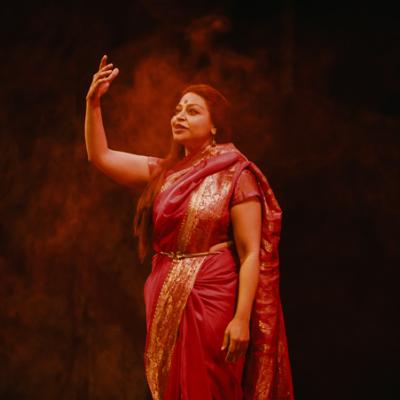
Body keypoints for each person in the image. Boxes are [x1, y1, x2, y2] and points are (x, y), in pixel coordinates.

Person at [85, 55, 295, 400]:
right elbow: (101, 156)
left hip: (213, 296)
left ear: (215, 125)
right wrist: (93, 103)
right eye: (178, 109)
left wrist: (242, 319)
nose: (180, 116)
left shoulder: (237, 176)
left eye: (192, 111)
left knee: (210, 386)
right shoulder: (166, 174)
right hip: (165, 292)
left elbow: (251, 253)